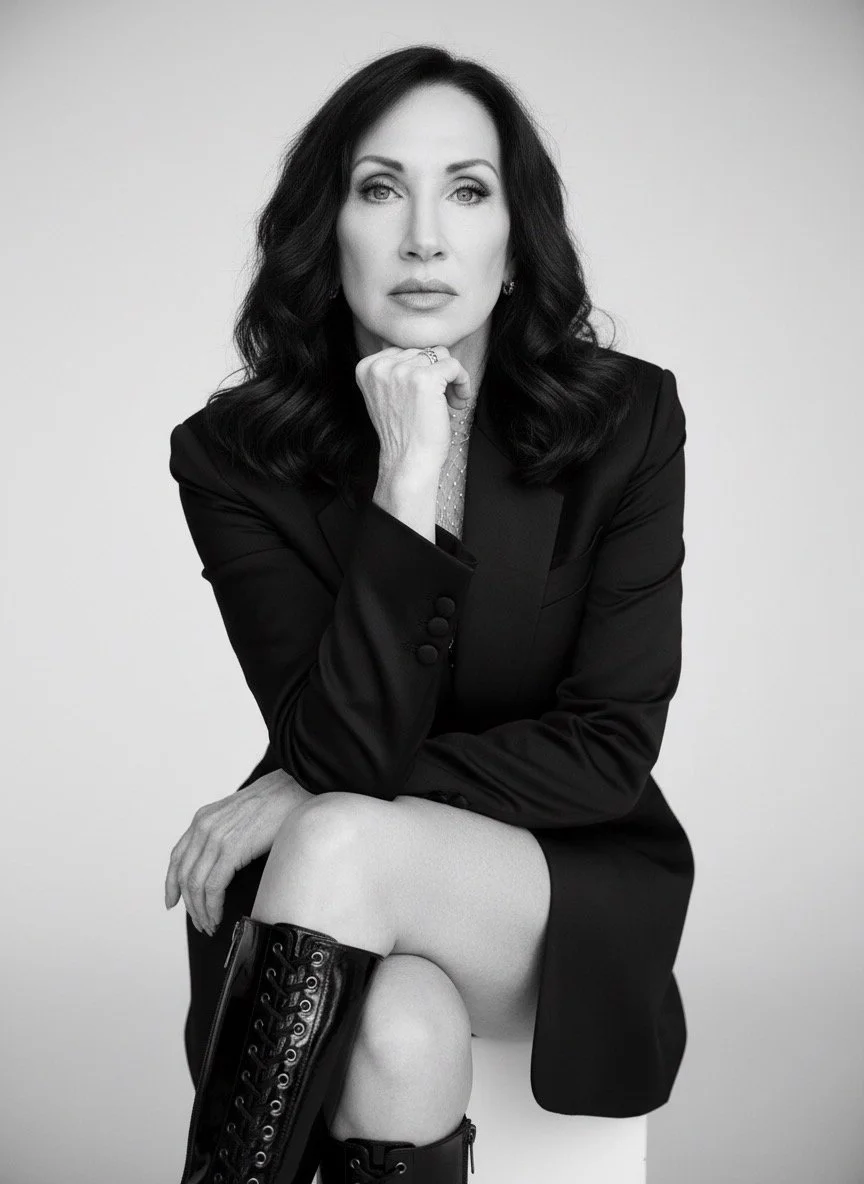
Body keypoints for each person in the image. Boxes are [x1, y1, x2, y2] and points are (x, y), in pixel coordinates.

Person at [165, 44, 694, 1184]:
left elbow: (608, 748)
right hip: (330, 887)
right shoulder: (231, 456)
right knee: (398, 1032)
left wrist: (314, 789)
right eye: (378, 187)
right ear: (330, 235)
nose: (422, 236)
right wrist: (408, 477)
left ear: (513, 243)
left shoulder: (627, 423)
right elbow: (343, 740)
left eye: (465, 189)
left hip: (551, 885)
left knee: (338, 829)